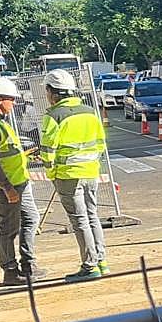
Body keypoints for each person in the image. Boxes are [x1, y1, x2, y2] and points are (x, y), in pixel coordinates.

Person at [39, 69, 110, 282]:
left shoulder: (53, 116)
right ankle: (101, 261)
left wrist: (52, 173)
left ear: (52, 92)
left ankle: (90, 266)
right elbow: (100, 144)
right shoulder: (90, 112)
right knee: (92, 216)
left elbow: (47, 150)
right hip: (90, 172)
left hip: (68, 175)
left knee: (79, 220)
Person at [0, 76, 41, 285]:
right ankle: (10, 271)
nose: (14, 104)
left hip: (19, 182)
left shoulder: (0, 122)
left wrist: (27, 155)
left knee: (31, 219)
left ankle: (28, 264)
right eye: (11, 100)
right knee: (9, 228)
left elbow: (7, 153)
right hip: (8, 187)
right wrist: (7, 188)